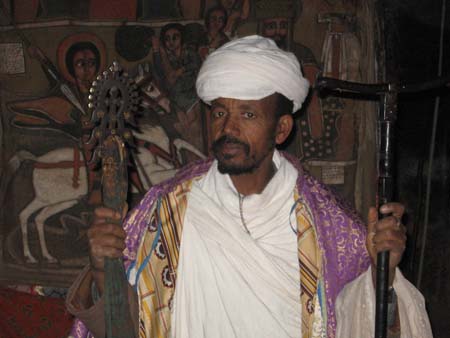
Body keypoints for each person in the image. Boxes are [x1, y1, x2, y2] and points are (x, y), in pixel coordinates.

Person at [66, 35, 432, 338]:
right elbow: (125, 328)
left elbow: (369, 324)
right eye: (221, 112)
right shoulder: (166, 210)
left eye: (248, 114)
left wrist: (379, 276)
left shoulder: (331, 227)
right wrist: (102, 269)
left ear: (282, 129)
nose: (229, 128)